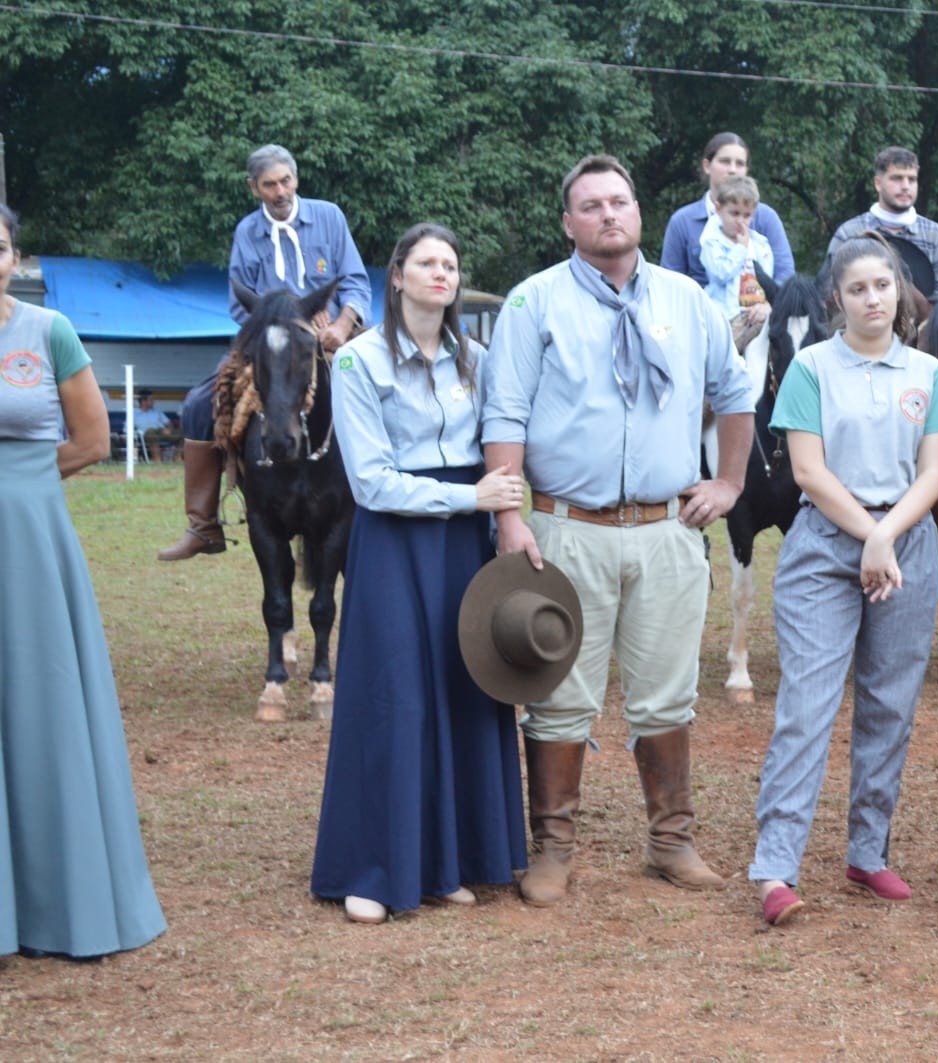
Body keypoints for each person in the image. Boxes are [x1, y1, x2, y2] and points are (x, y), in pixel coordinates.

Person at [482, 154, 756, 907]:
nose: (610, 214)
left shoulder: (688, 301)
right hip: (567, 527)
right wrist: (510, 515)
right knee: (559, 692)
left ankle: (671, 839)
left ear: (639, 213)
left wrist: (729, 481)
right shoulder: (532, 303)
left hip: (668, 528)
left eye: (621, 202)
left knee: (667, 693)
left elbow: (735, 393)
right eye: (592, 205)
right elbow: (503, 411)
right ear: (568, 222)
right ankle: (553, 848)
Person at [310, 223, 527, 924]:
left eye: (451, 264)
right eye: (427, 262)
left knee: (464, 691)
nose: (442, 273)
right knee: (395, 696)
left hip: (464, 542)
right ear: (396, 275)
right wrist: (472, 497)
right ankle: (375, 867)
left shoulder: (478, 358)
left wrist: (496, 511)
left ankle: (449, 861)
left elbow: (503, 436)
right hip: (397, 544)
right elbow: (371, 482)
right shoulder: (357, 363)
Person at [748, 233, 938, 925]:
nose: (873, 299)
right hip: (824, 544)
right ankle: (775, 866)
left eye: (883, 286)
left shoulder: (927, 373)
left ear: (899, 291)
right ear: (835, 299)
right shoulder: (812, 367)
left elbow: (934, 474)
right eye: (857, 289)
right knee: (807, 706)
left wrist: (887, 535)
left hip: (907, 543)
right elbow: (807, 470)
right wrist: (868, 535)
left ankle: (867, 852)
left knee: (890, 705)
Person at [0, 203, 167, 958]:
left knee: (40, 701)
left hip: (29, 539)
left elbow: (93, 439)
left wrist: (25, 482)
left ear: (14, 254)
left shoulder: (50, 331)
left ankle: (55, 902)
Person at [158, 144, 370, 561]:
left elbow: (357, 282)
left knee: (390, 389)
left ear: (296, 179)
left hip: (334, 336)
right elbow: (239, 303)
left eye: (286, 181)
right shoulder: (246, 232)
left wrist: (343, 324)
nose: (280, 191)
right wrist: (289, 319)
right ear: (253, 187)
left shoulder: (329, 216)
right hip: (270, 340)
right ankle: (203, 524)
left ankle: (388, 510)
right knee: (202, 402)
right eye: (270, 184)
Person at [660, 132, 795, 287]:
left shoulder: (765, 217)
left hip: (760, 307)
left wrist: (768, 304)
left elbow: (786, 274)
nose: (732, 170)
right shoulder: (683, 221)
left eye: (740, 164)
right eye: (725, 161)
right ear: (707, 166)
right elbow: (670, 283)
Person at [829, 146, 938, 302]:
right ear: (878, 183)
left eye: (912, 179)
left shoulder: (935, 236)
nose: (905, 186)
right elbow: (829, 296)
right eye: (897, 178)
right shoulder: (849, 233)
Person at [699, 175, 774, 327]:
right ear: (718, 209)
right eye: (734, 213)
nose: (740, 220)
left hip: (756, 315)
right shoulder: (711, 243)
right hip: (724, 318)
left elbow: (767, 280)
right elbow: (720, 274)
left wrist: (766, 306)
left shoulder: (760, 244)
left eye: (747, 215)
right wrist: (740, 248)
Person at [132, 388, 181, 457]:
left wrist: (169, 429)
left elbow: (169, 423)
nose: (154, 402)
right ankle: (157, 461)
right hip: (145, 435)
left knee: (184, 433)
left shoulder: (157, 411)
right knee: (151, 432)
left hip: (161, 433)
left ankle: (177, 458)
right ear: (143, 401)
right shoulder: (133, 413)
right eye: (151, 400)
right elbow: (127, 430)